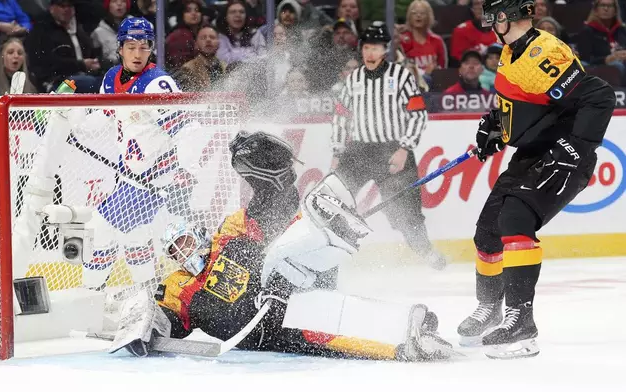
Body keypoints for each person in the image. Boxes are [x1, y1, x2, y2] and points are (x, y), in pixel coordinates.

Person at [110, 131, 455, 362]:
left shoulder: (227, 235)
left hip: (289, 299)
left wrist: (299, 252)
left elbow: (276, 213)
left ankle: (412, 327)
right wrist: (143, 329)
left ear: (198, 233)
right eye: (174, 251)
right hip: (264, 334)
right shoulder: (179, 285)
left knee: (319, 311)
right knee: (326, 335)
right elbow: (163, 316)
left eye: (184, 241)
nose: (182, 252)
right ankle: (406, 339)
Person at [457, 0, 615, 359]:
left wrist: (576, 147)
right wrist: (496, 127)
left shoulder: (542, 50)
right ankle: (490, 308)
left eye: (491, 14)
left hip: (563, 157)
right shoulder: (512, 51)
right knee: (487, 231)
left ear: (503, 18)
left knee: (515, 219)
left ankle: (521, 324)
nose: (486, 21)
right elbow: (533, 104)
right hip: (532, 155)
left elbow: (599, 96)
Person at [332, 21, 446, 270]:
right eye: (366, 48)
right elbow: (341, 117)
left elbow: (418, 114)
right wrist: (338, 152)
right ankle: (328, 255)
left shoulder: (401, 76)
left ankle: (425, 251)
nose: (370, 53)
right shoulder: (353, 80)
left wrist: (405, 148)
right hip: (359, 152)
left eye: (376, 48)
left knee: (407, 212)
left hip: (393, 151)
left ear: (385, 50)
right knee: (334, 199)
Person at [79, 17, 181, 290]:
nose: (138, 53)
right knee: (134, 235)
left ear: (151, 49)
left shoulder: (158, 83)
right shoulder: (112, 78)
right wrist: (72, 124)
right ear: (120, 48)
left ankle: (92, 293)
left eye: (144, 47)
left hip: (154, 176)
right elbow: (103, 117)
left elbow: (186, 130)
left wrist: (186, 170)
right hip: (130, 175)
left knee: (100, 228)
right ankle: (147, 291)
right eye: (132, 46)